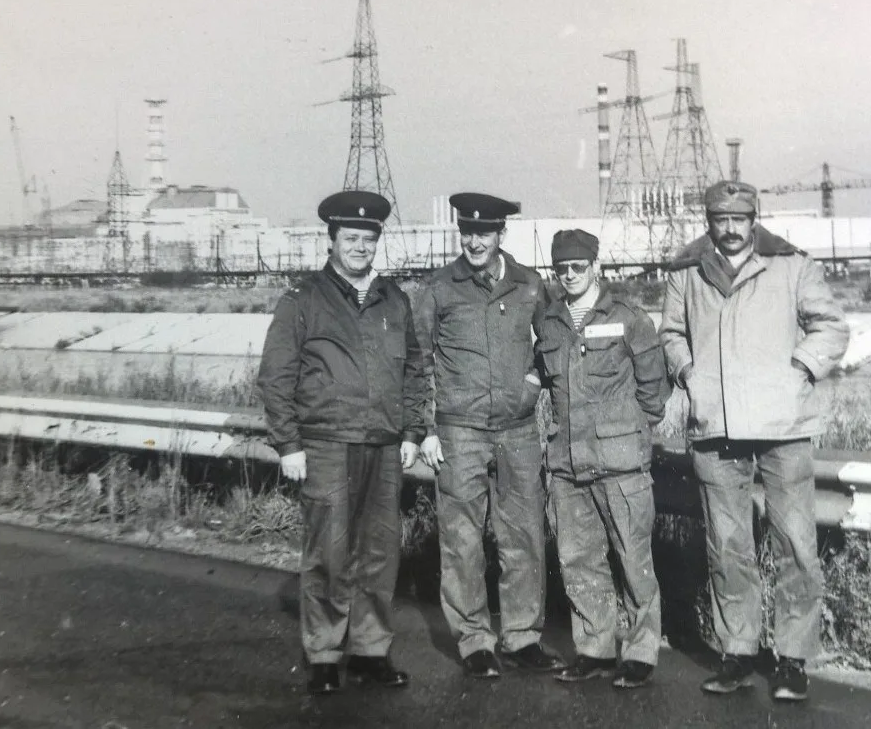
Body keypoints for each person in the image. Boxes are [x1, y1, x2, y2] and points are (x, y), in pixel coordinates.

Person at [659, 180, 849, 702]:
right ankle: (737, 652)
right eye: (720, 219)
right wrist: (690, 374)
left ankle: (792, 659)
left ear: (754, 219)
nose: (730, 229)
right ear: (709, 221)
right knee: (727, 546)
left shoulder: (792, 264)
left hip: (782, 427)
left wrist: (799, 370)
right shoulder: (687, 271)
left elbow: (831, 327)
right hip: (716, 426)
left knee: (795, 543)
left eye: (739, 219)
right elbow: (670, 333)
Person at [257, 190, 427, 696]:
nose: (360, 247)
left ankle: (371, 651)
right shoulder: (303, 300)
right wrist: (288, 444)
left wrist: (413, 431)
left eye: (368, 239)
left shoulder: (394, 299)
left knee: (380, 553)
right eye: (350, 238)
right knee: (329, 552)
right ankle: (325, 655)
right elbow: (276, 376)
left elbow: (414, 370)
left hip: (384, 445)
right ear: (330, 240)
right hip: (327, 443)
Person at [415, 192, 563, 678]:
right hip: (460, 432)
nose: (474, 241)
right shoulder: (439, 288)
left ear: (501, 233)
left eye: (484, 233)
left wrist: (534, 382)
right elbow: (417, 360)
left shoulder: (529, 284)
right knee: (462, 538)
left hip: (517, 430)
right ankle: (474, 640)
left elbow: (554, 340)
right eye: (467, 232)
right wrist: (426, 427)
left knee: (524, 533)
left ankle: (522, 638)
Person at [536, 229, 670, 690]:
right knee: (578, 560)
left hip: (620, 464)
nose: (570, 275)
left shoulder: (628, 317)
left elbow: (654, 390)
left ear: (596, 267)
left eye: (578, 266)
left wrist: (627, 432)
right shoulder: (550, 322)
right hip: (567, 464)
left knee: (634, 561)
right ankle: (594, 649)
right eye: (562, 268)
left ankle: (640, 653)